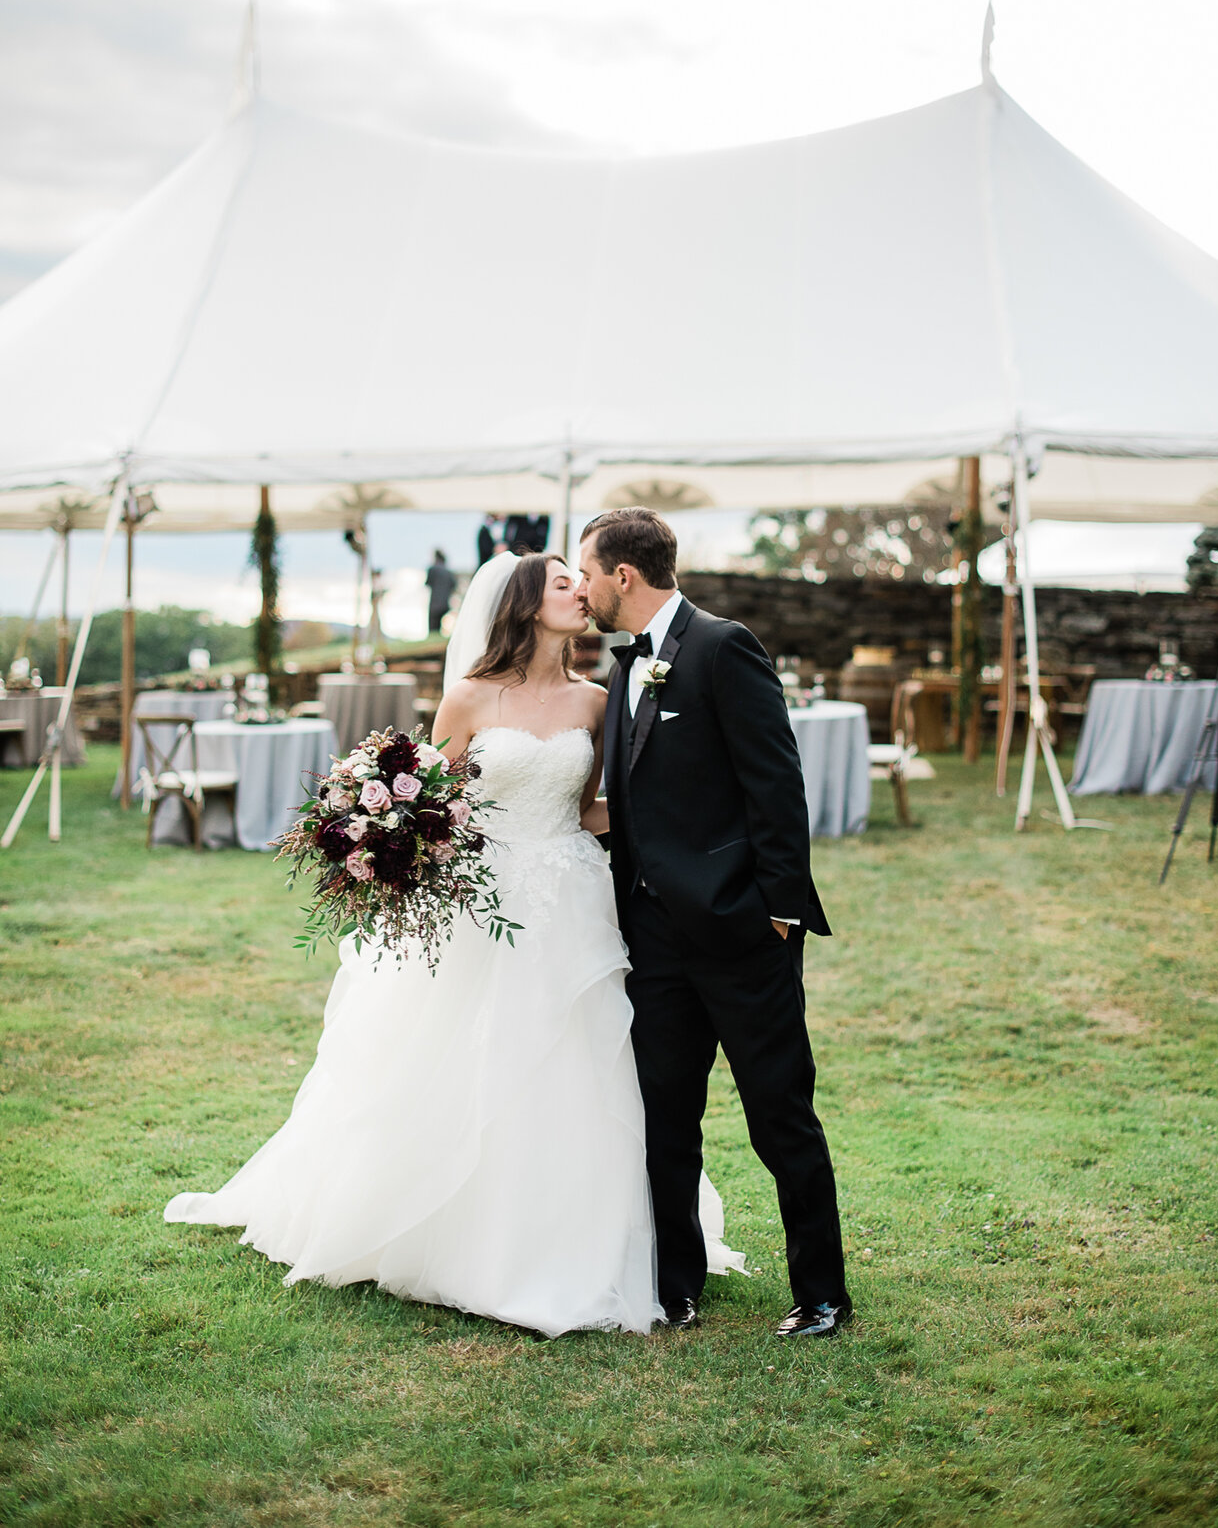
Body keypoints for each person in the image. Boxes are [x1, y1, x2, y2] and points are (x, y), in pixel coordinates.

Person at [163, 552, 742, 1334]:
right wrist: (384, 832)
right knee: (474, 1057)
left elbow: (595, 809)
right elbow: (437, 805)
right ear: (523, 604)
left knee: (588, 1058)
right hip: (485, 905)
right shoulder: (469, 696)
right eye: (563, 582)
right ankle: (450, 1229)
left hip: (573, 900)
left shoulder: (599, 702)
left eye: (583, 579)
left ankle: (584, 1238)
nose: (582, 591)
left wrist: (685, 829)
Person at [578, 505, 852, 1339]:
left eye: (587, 572)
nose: (583, 588)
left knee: (779, 1113)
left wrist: (777, 911)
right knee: (665, 1117)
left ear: (623, 575)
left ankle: (823, 1293)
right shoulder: (626, 668)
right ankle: (675, 1285)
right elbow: (635, 800)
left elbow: (778, 784)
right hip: (654, 941)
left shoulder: (722, 645)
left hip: (741, 932)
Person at [424, 550, 458, 635]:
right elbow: (453, 585)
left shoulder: (433, 569)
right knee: (440, 628)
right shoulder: (448, 572)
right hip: (445, 603)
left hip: (435, 603)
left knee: (433, 629)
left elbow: (428, 583)